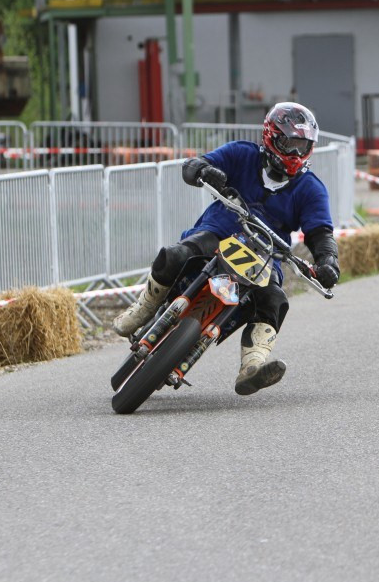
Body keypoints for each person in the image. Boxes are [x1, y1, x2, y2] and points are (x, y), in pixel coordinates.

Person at [111, 102, 340, 396]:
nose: (295, 153)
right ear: (271, 137)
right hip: (216, 235)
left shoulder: (311, 188)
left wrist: (328, 261)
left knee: (274, 300)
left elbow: (321, 232)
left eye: (302, 146)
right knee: (175, 255)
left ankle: (253, 366)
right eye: (289, 143)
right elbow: (193, 165)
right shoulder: (241, 154)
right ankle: (143, 308)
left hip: (264, 258)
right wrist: (205, 170)